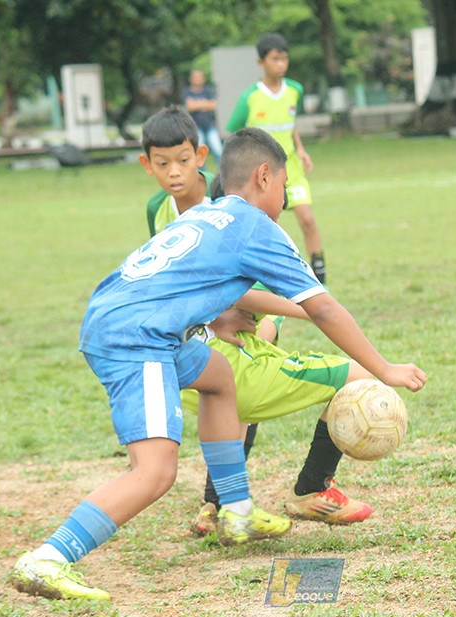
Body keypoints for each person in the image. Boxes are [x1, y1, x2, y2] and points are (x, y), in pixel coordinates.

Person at [10, 127, 427, 601]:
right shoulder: (256, 226)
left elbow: (174, 278)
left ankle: (237, 511)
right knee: (155, 472)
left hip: (129, 319)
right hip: (137, 337)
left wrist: (215, 313)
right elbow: (324, 308)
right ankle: (48, 558)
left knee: (218, 378)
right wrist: (385, 368)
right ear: (264, 176)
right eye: (284, 186)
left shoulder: (208, 214)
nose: (285, 200)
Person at [138, 107, 383, 536]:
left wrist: (287, 310)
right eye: (162, 163)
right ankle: (271, 496)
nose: (174, 173)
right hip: (199, 331)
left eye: (182, 160)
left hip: (207, 329)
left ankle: (226, 503)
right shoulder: (171, 211)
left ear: (200, 157)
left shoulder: (217, 202)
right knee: (236, 387)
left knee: (236, 375)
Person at [226, 32, 327, 284]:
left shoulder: (295, 90)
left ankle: (320, 276)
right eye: (275, 59)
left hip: (291, 169)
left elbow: (290, 124)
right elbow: (234, 132)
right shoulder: (249, 97)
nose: (281, 64)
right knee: (264, 226)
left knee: (307, 218)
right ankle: (261, 276)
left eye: (284, 59)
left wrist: (300, 149)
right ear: (261, 62)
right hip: (261, 175)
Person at [182, 69, 223, 169]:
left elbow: (213, 105)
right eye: (195, 77)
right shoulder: (187, 91)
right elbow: (190, 106)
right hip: (196, 127)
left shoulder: (208, 90)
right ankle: (202, 175)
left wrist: (197, 104)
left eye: (199, 77)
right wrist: (205, 103)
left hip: (209, 125)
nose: (198, 80)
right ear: (191, 79)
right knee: (199, 152)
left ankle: (224, 174)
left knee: (218, 150)